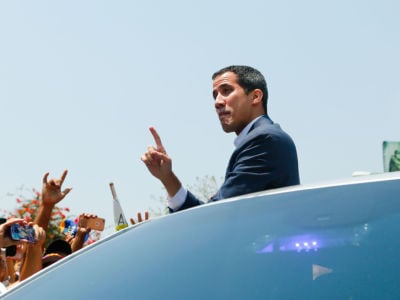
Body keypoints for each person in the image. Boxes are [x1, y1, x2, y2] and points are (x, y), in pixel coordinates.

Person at [142, 65, 300, 212]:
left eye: (226, 90)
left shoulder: (266, 140)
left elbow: (215, 215)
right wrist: (167, 178)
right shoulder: (261, 139)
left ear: (255, 97)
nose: (217, 102)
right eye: (215, 95)